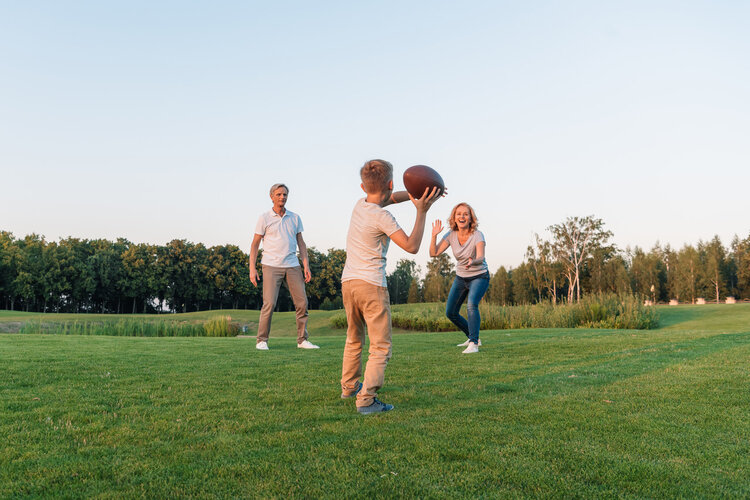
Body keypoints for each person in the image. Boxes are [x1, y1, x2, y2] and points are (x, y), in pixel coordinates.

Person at [340, 159, 442, 415]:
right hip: (371, 285)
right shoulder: (382, 217)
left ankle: (350, 386)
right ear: (391, 183)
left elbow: (385, 197)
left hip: (348, 282)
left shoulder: (360, 204)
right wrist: (422, 210)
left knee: (354, 338)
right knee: (380, 346)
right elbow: (411, 246)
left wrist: (417, 194)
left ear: (363, 187)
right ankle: (366, 400)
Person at [249, 183, 319, 350]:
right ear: (272, 197)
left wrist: (306, 265)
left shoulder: (295, 218)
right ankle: (262, 340)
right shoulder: (264, 218)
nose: (282, 197)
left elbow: (301, 243)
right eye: (279, 194)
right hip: (271, 265)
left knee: (302, 303)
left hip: (292, 266)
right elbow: (255, 245)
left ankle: (302, 340)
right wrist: (252, 268)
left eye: (285, 195)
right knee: (269, 304)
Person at [429, 202, 489, 354]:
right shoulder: (450, 235)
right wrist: (434, 235)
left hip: (479, 276)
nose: (462, 216)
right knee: (451, 312)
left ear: (470, 218)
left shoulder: (477, 235)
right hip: (461, 278)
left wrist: (472, 261)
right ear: (454, 218)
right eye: (459, 214)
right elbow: (434, 253)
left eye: (465, 214)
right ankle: (472, 336)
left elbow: (481, 257)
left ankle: (474, 344)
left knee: (471, 304)